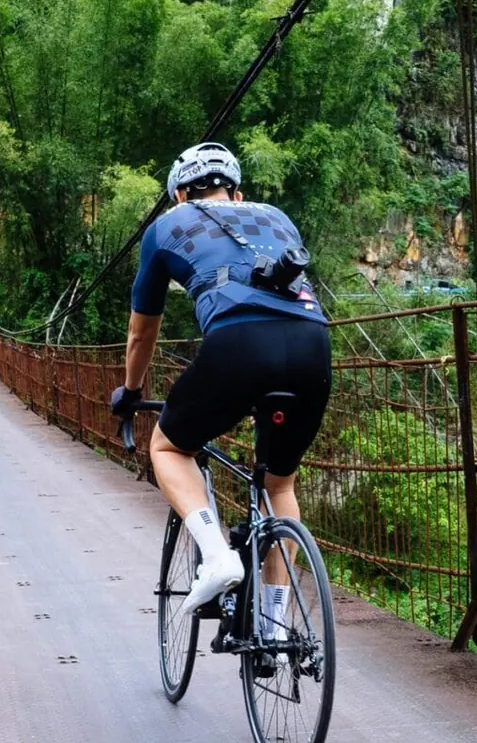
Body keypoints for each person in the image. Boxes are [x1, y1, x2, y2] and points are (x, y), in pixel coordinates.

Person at [110, 142, 331, 644]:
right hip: (313, 345)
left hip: (238, 345)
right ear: (237, 190)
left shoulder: (169, 225)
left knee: (168, 446)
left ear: (181, 194)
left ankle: (215, 556)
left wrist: (131, 390)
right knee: (280, 486)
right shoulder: (276, 216)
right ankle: (275, 627)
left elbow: (142, 333)